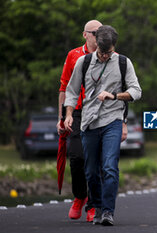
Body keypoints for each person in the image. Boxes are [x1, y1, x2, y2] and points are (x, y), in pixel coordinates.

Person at [64, 25, 142, 226]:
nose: (106, 56)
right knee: (90, 171)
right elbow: (71, 91)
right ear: (96, 44)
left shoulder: (124, 62)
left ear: (114, 46)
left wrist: (114, 95)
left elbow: (136, 91)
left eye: (109, 52)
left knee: (109, 167)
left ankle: (108, 211)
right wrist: (69, 114)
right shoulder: (84, 62)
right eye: (102, 52)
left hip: (112, 120)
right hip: (89, 122)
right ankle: (96, 207)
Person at [56, 19, 102, 222]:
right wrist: (61, 117)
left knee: (95, 160)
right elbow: (64, 87)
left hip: (100, 113)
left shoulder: (107, 55)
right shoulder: (74, 55)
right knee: (76, 158)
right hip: (76, 112)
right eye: (94, 32)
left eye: (101, 32)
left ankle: (93, 204)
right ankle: (79, 196)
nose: (98, 36)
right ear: (85, 34)